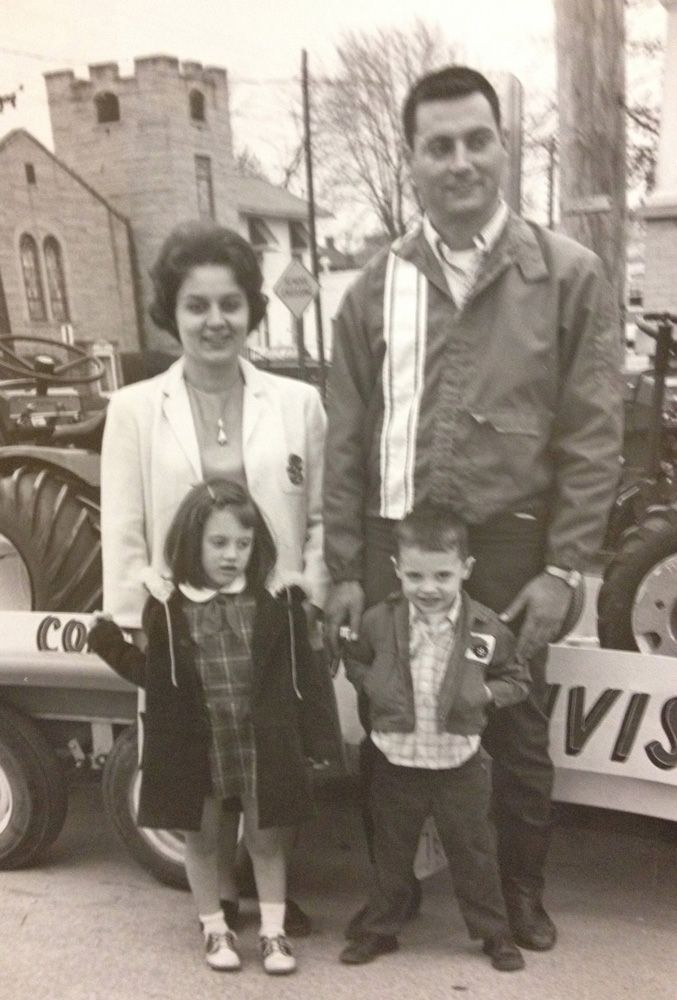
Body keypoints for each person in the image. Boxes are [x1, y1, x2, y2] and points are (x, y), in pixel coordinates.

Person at [324, 65, 624, 951]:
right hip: (392, 545)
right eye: (437, 145)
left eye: (475, 139)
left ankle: (520, 894)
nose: (459, 161)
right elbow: (344, 435)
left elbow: (593, 432)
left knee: (514, 729)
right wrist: (344, 567)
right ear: (410, 160)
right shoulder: (372, 290)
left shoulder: (567, 275)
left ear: (503, 146)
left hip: (510, 550)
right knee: (391, 722)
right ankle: (393, 894)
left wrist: (564, 568)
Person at [101, 220, 332, 937]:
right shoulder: (135, 410)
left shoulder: (297, 404)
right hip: (183, 629)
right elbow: (125, 527)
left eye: (229, 303)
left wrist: (308, 591)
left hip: (270, 627)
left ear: (252, 309)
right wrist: (139, 627)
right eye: (196, 305)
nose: (214, 321)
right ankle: (216, 905)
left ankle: (271, 899)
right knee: (195, 773)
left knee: (273, 768)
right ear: (171, 313)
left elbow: (319, 515)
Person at [90, 479, 338, 974]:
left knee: (267, 839)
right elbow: (156, 679)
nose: (232, 556)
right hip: (198, 742)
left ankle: (272, 932)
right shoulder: (168, 606)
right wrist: (110, 645)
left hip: (257, 742)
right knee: (201, 838)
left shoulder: (274, 604)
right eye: (219, 543)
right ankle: (214, 928)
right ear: (192, 542)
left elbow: (302, 677)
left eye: (242, 544)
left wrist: (317, 738)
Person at [338, 506, 529, 971]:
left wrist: (484, 692)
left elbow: (516, 679)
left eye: (443, 575)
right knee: (391, 854)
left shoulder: (483, 628)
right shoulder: (380, 622)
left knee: (475, 853)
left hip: (459, 764)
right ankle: (380, 931)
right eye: (416, 575)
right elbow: (357, 659)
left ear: (465, 569)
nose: (429, 588)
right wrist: (373, 683)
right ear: (398, 570)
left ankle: (494, 934)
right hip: (397, 761)